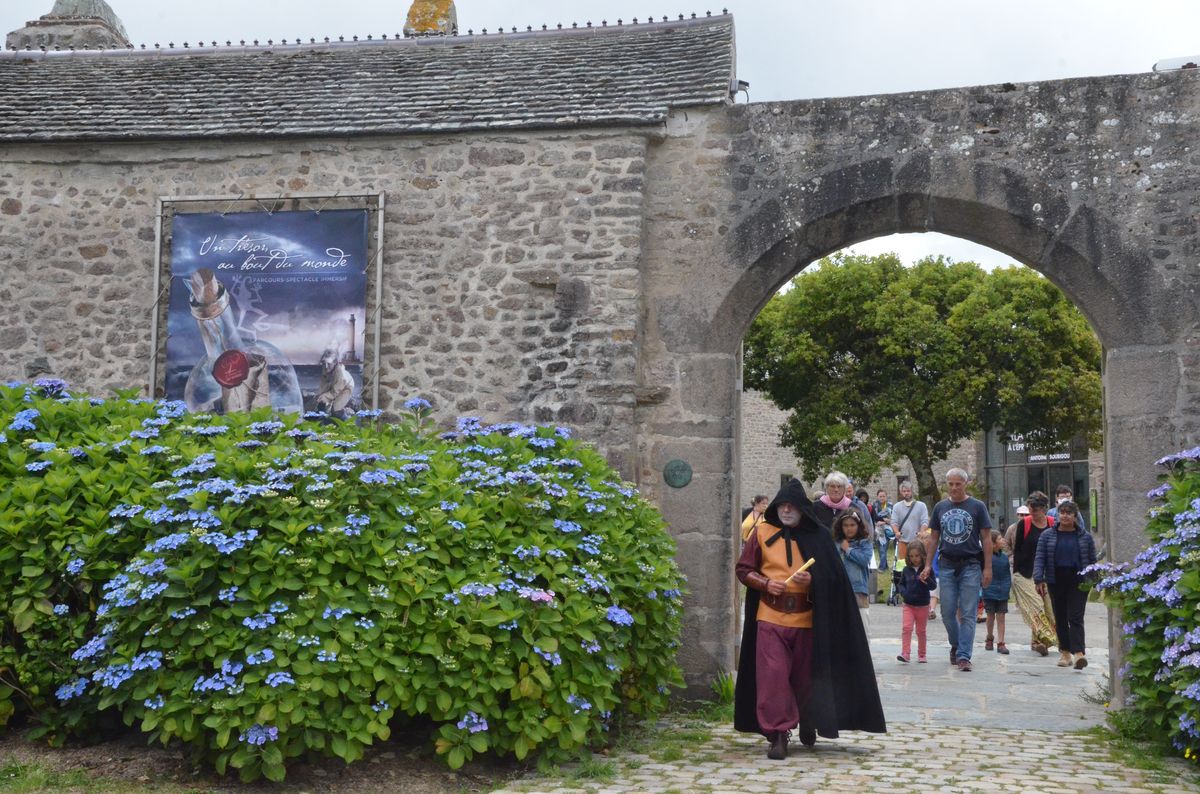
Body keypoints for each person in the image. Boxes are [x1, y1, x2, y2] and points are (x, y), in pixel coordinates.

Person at [735, 479, 886, 759]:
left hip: (806, 619)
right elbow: (744, 569)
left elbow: (833, 577)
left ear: (803, 508)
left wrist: (812, 579)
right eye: (783, 506)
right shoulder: (762, 531)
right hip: (770, 616)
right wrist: (766, 584)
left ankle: (809, 719)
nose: (787, 510)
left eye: (793, 506)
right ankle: (778, 733)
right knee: (773, 677)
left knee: (806, 679)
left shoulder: (817, 535)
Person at [921, 468, 993, 672]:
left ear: (965, 484)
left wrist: (987, 568)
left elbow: (986, 538)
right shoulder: (940, 507)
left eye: (958, 484)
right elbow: (934, 538)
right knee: (947, 611)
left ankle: (963, 655)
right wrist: (927, 565)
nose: (954, 488)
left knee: (969, 613)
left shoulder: (977, 506)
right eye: (950, 484)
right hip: (946, 564)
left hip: (970, 563)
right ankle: (956, 643)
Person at [1033, 501, 1097, 669]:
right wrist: (1038, 578)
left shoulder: (1085, 536)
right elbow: (1040, 558)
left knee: (1075, 617)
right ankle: (1065, 652)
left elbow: (1092, 561)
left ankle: (1079, 654)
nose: (1065, 516)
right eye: (1062, 512)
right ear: (1057, 515)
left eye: (1069, 513)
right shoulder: (1047, 535)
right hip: (1056, 579)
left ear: (1075, 516)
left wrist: (1094, 579)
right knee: (1060, 616)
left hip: (1078, 581)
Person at [1004, 492, 1057, 657]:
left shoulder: (1053, 524)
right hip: (1025, 573)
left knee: (1050, 610)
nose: (1032, 513)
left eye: (1035, 510)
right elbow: (1016, 549)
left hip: (1048, 574)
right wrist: (1017, 574)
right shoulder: (1023, 525)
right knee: (1036, 606)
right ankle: (1053, 638)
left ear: (1044, 509)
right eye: (1030, 509)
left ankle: (1038, 642)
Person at [833, 509, 874, 639]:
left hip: (858, 590)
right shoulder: (836, 543)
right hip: (840, 589)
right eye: (845, 525)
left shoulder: (865, 543)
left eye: (852, 525)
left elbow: (864, 560)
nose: (849, 529)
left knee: (862, 628)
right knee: (841, 628)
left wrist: (848, 550)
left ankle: (864, 657)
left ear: (858, 526)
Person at [896, 541, 936, 663]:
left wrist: (927, 580)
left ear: (922, 555)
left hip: (923, 605)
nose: (914, 559)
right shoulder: (906, 570)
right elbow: (900, 584)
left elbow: (933, 586)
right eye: (911, 556)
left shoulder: (927, 570)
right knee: (906, 628)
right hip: (908, 605)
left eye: (917, 556)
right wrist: (904, 593)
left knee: (921, 631)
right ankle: (905, 653)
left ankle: (922, 654)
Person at [812, 471, 873, 536]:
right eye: (832, 486)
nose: (836, 489)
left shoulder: (853, 508)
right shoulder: (815, 507)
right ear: (826, 488)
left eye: (839, 486)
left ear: (844, 489)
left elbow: (861, 532)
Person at [982, 530, 1012, 654]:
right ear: (993, 543)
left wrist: (1007, 588)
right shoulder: (986, 557)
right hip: (989, 592)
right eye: (1000, 539)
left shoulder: (1005, 558)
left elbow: (1007, 576)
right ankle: (989, 638)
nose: (1003, 540)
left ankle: (1001, 642)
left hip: (1003, 592)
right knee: (990, 616)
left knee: (1001, 616)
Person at [890, 481, 929, 565]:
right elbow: (893, 522)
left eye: (908, 491)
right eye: (904, 491)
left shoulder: (921, 505)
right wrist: (896, 532)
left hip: (917, 541)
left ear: (912, 491)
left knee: (919, 563)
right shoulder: (897, 506)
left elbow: (925, 521)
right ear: (901, 492)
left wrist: (921, 532)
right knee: (903, 564)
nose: (906, 493)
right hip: (903, 540)